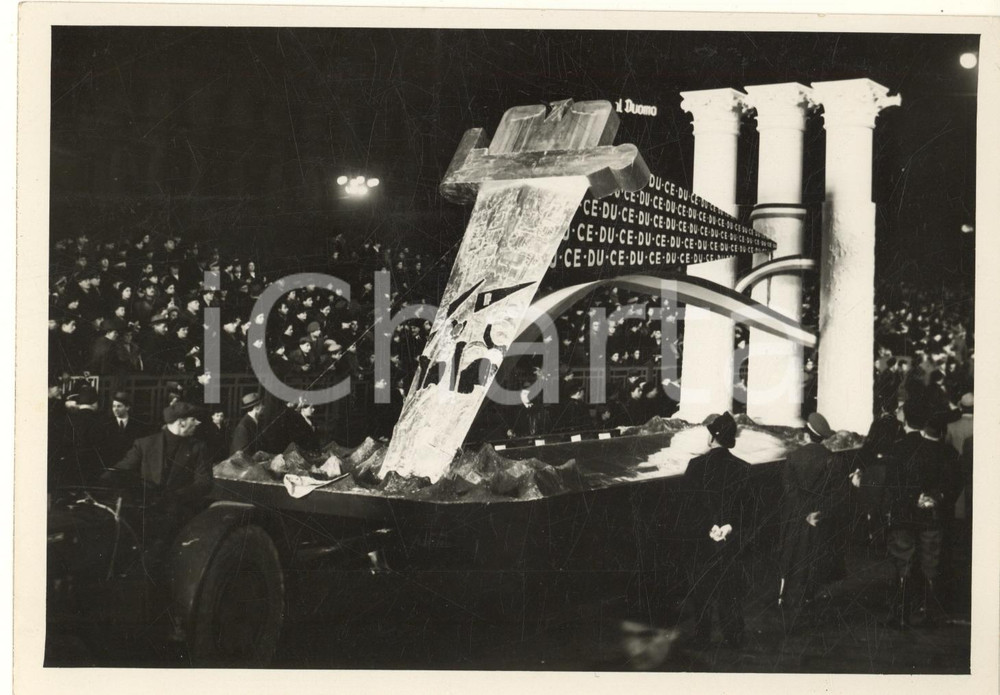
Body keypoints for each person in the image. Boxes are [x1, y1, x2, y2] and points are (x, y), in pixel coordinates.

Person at [882, 408, 960, 628]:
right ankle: (927, 615)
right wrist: (936, 498)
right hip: (932, 516)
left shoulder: (904, 448)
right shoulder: (950, 453)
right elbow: (955, 485)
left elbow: (893, 482)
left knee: (904, 561)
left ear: (924, 427)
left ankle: (901, 615)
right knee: (930, 563)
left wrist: (912, 498)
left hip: (904, 515)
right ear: (943, 431)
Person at [681, 412, 751, 649]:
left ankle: (702, 638)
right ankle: (734, 637)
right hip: (730, 540)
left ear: (712, 438)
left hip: (703, 540)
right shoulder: (743, 468)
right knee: (730, 590)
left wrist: (708, 527)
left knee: (701, 590)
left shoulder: (695, 466)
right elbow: (748, 509)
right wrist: (728, 526)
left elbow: (687, 506)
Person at [777, 412, 853, 619]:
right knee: (817, 559)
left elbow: (790, 491)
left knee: (795, 558)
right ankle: (811, 598)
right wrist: (820, 512)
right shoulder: (833, 459)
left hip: (798, 519)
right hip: (821, 519)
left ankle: (791, 600)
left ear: (807, 434)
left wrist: (804, 513)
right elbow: (840, 494)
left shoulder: (793, 457)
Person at [101, 390, 148, 465]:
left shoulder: (138, 425)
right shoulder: (106, 425)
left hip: (132, 466)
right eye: (113, 406)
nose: (115, 409)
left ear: (127, 407)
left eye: (119, 406)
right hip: (111, 466)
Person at [230, 391, 266, 457]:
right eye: (262, 404)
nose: (263, 407)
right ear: (256, 407)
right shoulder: (243, 426)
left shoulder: (256, 421)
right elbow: (241, 454)